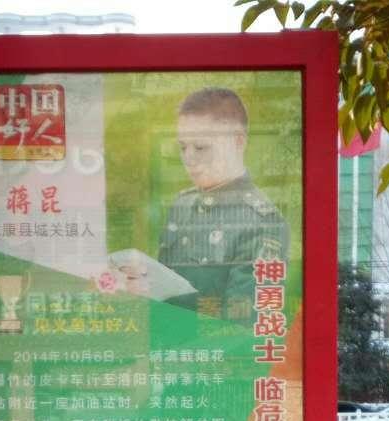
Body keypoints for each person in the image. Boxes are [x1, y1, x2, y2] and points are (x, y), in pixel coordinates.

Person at [119, 87, 289, 321]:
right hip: (166, 340)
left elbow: (242, 318)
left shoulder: (261, 222)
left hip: (209, 344)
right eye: (183, 147)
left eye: (200, 147)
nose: (188, 158)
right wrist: (143, 285)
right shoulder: (182, 205)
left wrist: (166, 302)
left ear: (238, 142)